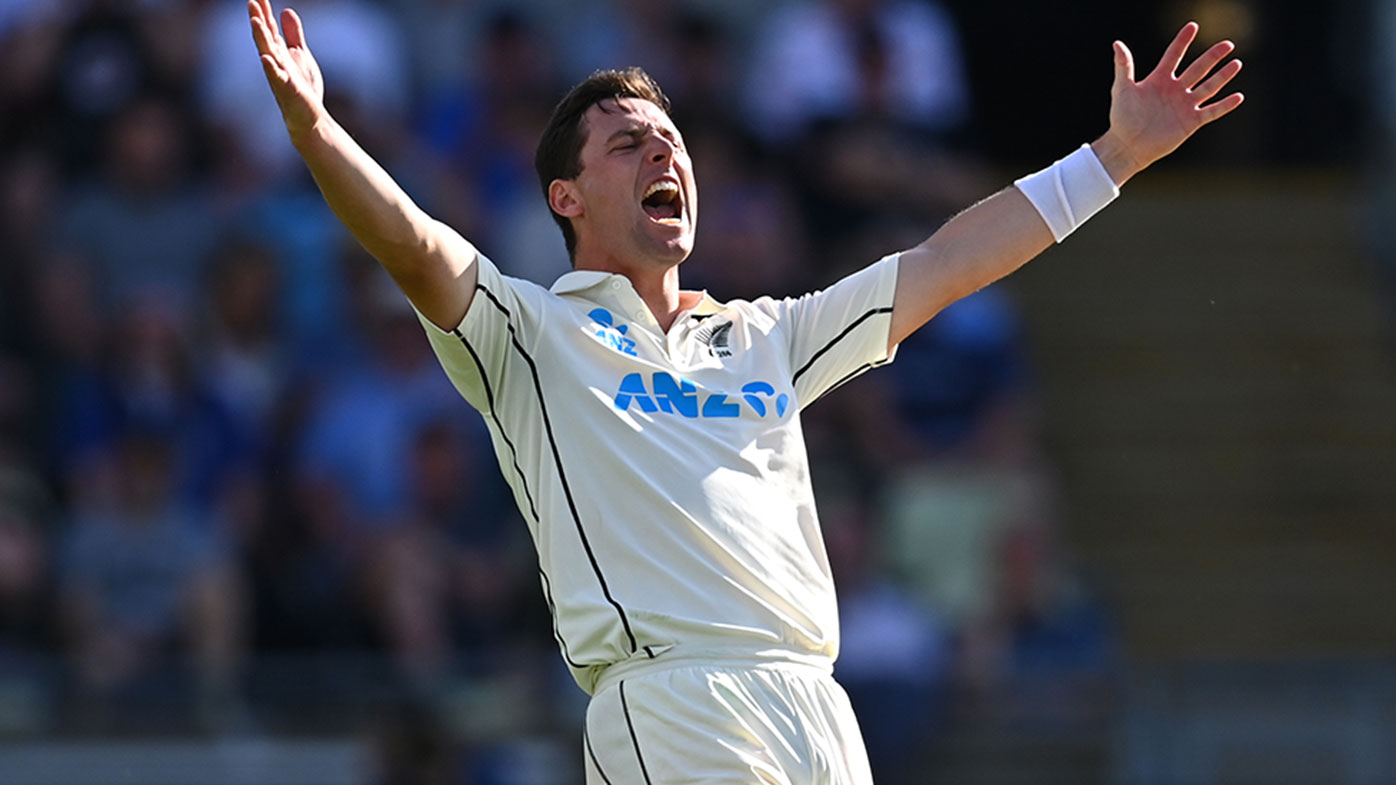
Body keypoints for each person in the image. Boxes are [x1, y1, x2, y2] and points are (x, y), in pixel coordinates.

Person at [248, 1, 1242, 781]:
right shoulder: (530, 331)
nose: (663, 152)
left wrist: (1114, 159)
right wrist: (317, 129)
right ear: (567, 196)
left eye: (669, 138)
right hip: (671, 701)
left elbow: (946, 260)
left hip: (814, 704)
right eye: (627, 143)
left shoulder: (767, 333)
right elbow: (411, 243)